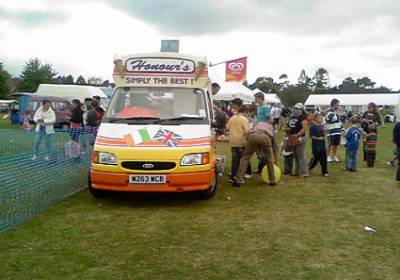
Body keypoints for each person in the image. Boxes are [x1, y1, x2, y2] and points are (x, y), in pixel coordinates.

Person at [233, 120, 278, 187]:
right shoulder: (271, 127)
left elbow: (249, 132)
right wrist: (275, 156)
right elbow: (275, 144)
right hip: (265, 137)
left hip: (253, 136)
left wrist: (246, 141)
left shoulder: (259, 123)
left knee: (245, 158)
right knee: (269, 160)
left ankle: (238, 179)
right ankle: (272, 180)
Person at [226, 104, 252, 182]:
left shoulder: (232, 118)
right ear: (245, 112)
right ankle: (247, 173)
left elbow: (227, 127)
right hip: (242, 141)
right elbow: (247, 131)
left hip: (233, 141)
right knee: (244, 158)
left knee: (235, 160)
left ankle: (233, 176)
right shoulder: (244, 119)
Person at [286, 103, 309, 177]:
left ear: (302, 109)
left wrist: (297, 135)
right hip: (292, 137)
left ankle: (304, 172)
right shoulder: (292, 117)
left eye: (298, 109)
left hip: (300, 138)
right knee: (295, 156)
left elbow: (304, 128)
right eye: (295, 108)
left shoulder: (303, 117)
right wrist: (287, 130)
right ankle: (296, 171)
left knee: (301, 155)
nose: (296, 110)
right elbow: (291, 127)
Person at [254, 92, 271, 173]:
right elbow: (258, 119)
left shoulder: (265, 107)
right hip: (258, 129)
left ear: (260, 98)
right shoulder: (258, 108)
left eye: (256, 98)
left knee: (264, 151)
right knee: (258, 150)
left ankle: (265, 168)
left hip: (264, 130)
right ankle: (260, 167)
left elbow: (269, 119)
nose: (255, 100)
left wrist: (267, 130)